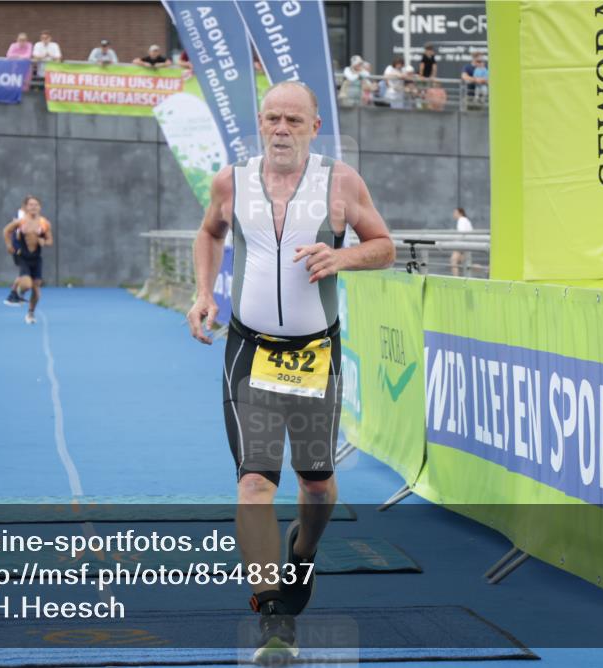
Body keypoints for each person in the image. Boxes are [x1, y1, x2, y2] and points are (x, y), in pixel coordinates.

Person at [187, 81, 395, 663]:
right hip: (249, 350)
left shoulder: (341, 182)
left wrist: (343, 255)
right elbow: (209, 232)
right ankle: (272, 613)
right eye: (272, 118)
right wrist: (203, 293)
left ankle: (302, 552)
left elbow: (384, 245)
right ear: (260, 122)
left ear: (314, 127)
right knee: (255, 482)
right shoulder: (230, 182)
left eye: (293, 120)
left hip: (314, 354)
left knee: (317, 485)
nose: (281, 129)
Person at [2, 196, 52, 324]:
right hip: (23, 257)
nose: (33, 207)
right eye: (31, 204)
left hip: (36, 259)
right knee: (27, 284)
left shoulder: (44, 223)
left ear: (40, 207)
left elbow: (50, 240)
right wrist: (9, 245)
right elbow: (6, 231)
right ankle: (19, 292)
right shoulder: (21, 222)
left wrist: (44, 241)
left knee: (37, 291)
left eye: (36, 204)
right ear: (26, 207)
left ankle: (30, 313)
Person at [450, 207, 474, 277]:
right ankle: (485, 270)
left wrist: (454, 242)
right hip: (466, 245)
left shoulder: (461, 220)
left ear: (460, 213)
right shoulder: (465, 220)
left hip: (462, 245)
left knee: (453, 261)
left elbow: (461, 233)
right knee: (466, 263)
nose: (454, 214)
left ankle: (456, 279)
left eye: (455, 212)